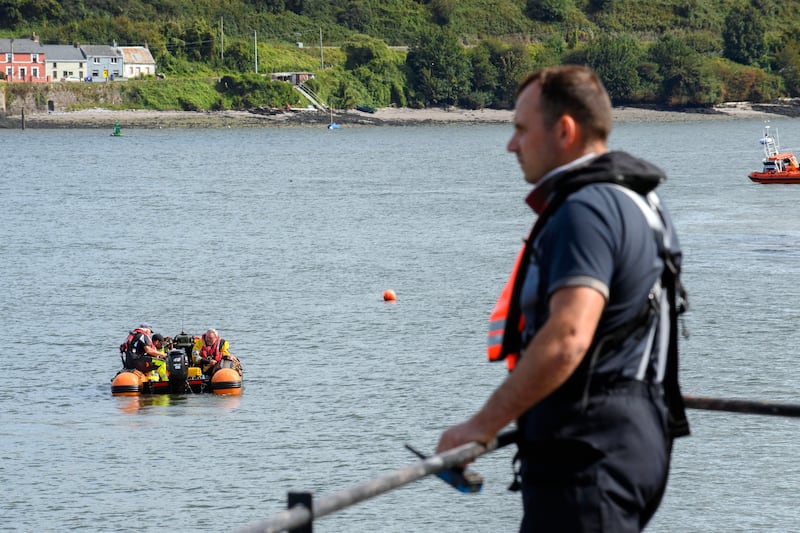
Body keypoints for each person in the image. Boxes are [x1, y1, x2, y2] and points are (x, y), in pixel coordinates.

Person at [436, 65, 689, 532]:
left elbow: (568, 335)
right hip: (638, 441)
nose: (512, 144)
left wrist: (482, 424)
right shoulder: (641, 200)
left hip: (588, 455)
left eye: (520, 129)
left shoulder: (586, 208)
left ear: (565, 130)